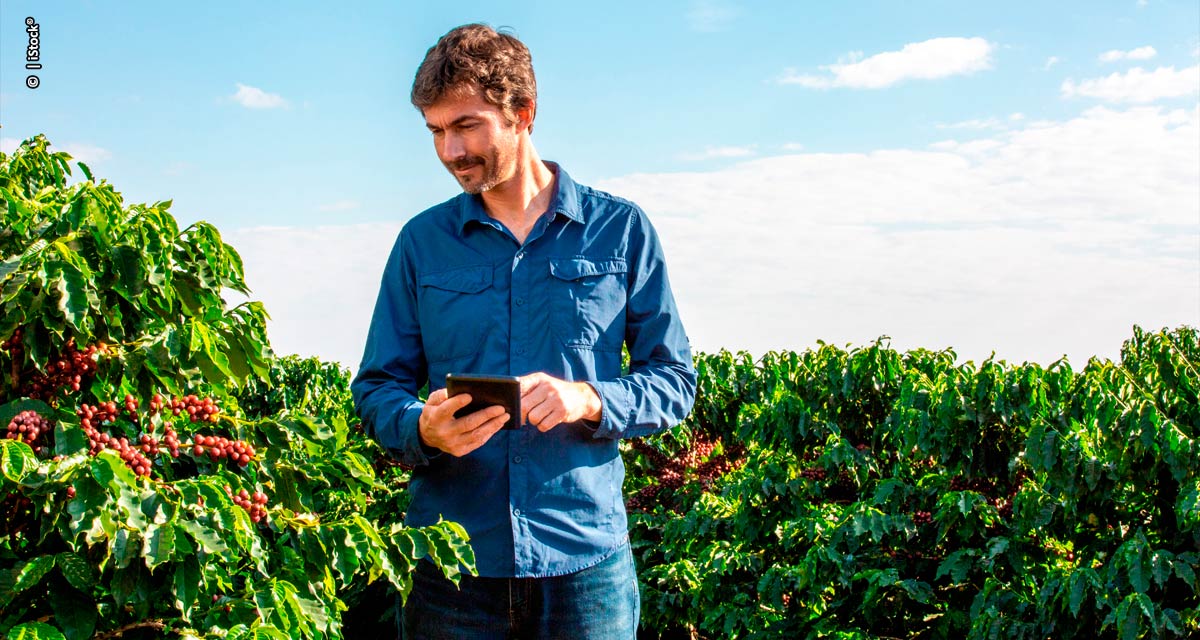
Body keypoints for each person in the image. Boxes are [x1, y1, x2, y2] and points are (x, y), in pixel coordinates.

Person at [351, 23, 696, 639]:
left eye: (466, 126)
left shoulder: (621, 230)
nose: (450, 151)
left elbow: (674, 380)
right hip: (449, 566)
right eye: (435, 131)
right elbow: (377, 387)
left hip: (584, 566)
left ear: (523, 113)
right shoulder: (420, 244)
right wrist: (420, 427)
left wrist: (590, 398)